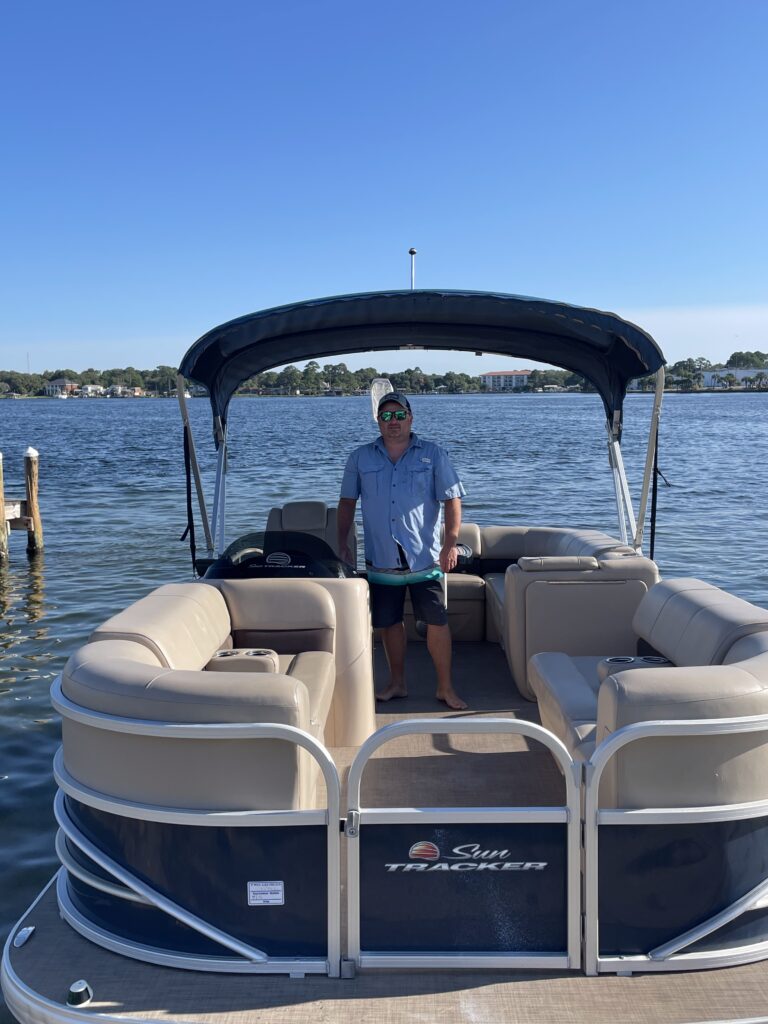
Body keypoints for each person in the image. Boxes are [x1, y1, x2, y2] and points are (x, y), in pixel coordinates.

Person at [337, 391, 468, 710]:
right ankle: (397, 683)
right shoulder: (360, 457)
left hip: (425, 558)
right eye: (385, 416)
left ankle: (445, 688)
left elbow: (452, 500)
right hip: (381, 559)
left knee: (437, 622)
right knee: (389, 623)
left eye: (398, 415)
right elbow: (346, 502)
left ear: (410, 417)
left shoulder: (435, 454)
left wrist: (450, 542)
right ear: (378, 422)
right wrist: (342, 542)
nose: (392, 422)